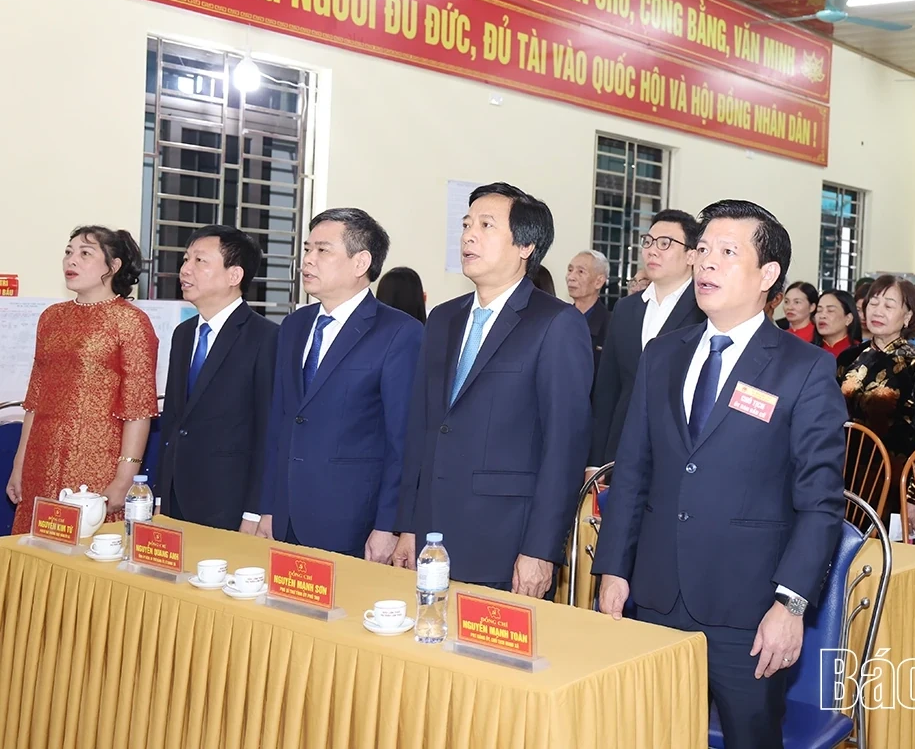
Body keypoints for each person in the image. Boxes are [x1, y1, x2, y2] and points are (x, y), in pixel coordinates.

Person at [592, 199, 846, 749]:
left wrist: (791, 604)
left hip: (749, 608)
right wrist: (613, 568)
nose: (706, 263)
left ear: (768, 275)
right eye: (703, 250)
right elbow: (633, 470)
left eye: (727, 252)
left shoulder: (804, 369)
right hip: (655, 595)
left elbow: (820, 504)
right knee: (647, 734)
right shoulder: (664, 353)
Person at [392, 184, 593, 596]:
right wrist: (407, 526)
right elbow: (422, 430)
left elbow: (564, 447)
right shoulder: (443, 319)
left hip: (505, 541)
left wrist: (541, 550)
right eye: (466, 224)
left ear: (525, 246)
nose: (468, 235)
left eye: (486, 225)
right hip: (431, 538)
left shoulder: (555, 323)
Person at [255, 208, 422, 561]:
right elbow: (280, 424)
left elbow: (403, 442)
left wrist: (388, 526)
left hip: (352, 523)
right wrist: (267, 507)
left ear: (361, 262)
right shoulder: (294, 326)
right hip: (286, 516)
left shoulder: (398, 333)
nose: (308, 260)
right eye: (307, 249)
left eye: (322, 250)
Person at [7, 226, 158, 534]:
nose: (71, 260)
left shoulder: (130, 322)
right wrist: (19, 464)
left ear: (113, 267)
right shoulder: (51, 317)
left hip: (97, 462)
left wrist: (123, 479)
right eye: (68, 252)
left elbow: (139, 409)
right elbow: (34, 400)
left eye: (85, 253)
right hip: (41, 456)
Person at [157, 226, 278, 533]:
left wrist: (254, 511)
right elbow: (173, 419)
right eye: (186, 260)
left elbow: (268, 432)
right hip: (174, 498)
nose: (185, 269)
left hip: (229, 501)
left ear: (234, 275)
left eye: (200, 261)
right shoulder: (184, 335)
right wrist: (159, 493)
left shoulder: (265, 337)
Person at [591, 210, 706, 470]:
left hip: (679, 454)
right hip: (621, 450)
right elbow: (607, 390)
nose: (653, 250)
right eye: (648, 241)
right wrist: (596, 461)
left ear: (692, 254)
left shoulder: (704, 312)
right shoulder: (625, 309)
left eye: (665, 243)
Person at [837, 276, 915, 530]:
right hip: (843, 473)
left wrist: (914, 497)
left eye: (889, 305)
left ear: (907, 316)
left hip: (891, 479)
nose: (878, 311)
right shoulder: (849, 356)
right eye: (874, 303)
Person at [565, 250, 611, 371]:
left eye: (580, 271)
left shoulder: (611, 325)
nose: (571, 277)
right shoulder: (559, 319)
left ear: (599, 281)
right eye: (570, 270)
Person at [813, 289, 861, 358]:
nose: (822, 316)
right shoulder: (808, 352)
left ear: (848, 319)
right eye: (819, 310)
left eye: (830, 311)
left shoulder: (859, 353)